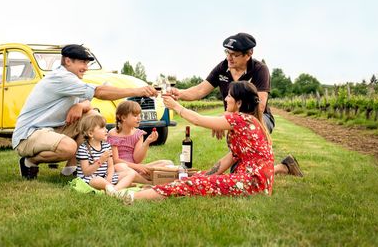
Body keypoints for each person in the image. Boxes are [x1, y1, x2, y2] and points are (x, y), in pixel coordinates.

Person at [107, 81, 274, 204]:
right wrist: (206, 175)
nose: (226, 98)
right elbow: (229, 158)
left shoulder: (241, 119)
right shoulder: (249, 121)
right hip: (255, 181)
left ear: (239, 103)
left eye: (229, 95)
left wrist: (175, 106)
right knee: (196, 178)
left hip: (251, 182)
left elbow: (197, 120)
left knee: (191, 184)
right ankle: (151, 192)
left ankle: (130, 197)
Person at [12, 44, 158, 180]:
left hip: (53, 129)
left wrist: (81, 106)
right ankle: (29, 161)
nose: (86, 67)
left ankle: (71, 168)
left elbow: (89, 101)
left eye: (87, 63)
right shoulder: (61, 78)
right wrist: (138, 90)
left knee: (93, 118)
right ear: (68, 61)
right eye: (82, 62)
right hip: (29, 134)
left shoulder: (73, 79)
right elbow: (99, 92)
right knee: (69, 147)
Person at [168, 32, 303, 177]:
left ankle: (279, 168)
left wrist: (224, 119)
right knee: (240, 170)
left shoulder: (259, 69)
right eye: (227, 52)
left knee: (244, 171)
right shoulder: (222, 67)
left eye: (234, 54)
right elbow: (201, 89)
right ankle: (284, 166)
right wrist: (179, 93)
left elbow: (260, 106)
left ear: (248, 54)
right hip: (233, 119)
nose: (229, 57)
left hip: (260, 119)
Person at [107, 100, 173, 183]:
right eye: (135, 115)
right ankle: (147, 180)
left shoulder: (138, 134)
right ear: (123, 118)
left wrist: (147, 143)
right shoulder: (113, 134)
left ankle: (141, 177)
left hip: (136, 168)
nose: (139, 118)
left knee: (167, 163)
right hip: (120, 169)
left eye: (139, 115)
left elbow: (137, 159)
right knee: (121, 166)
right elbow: (115, 160)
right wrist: (138, 167)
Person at [75, 114, 136, 194]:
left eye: (105, 127)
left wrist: (109, 177)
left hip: (105, 177)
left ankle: (114, 190)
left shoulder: (106, 146)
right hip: (90, 178)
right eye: (102, 128)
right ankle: (116, 188)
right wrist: (100, 160)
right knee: (97, 180)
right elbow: (86, 172)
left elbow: (110, 166)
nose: (106, 130)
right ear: (90, 133)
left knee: (131, 173)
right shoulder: (84, 149)